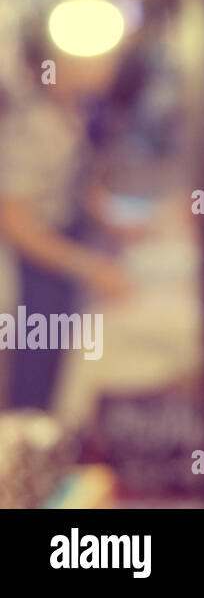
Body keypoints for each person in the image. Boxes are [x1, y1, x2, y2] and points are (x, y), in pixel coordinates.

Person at [0, 29, 130, 410]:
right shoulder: (32, 127)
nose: (108, 67)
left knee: (64, 379)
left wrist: (131, 225)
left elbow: (82, 193)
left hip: (62, 267)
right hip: (34, 276)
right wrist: (88, 266)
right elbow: (16, 224)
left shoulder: (70, 115)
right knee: (35, 383)